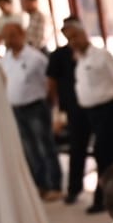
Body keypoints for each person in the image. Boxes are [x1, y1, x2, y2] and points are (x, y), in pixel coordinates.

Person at [66, 20, 113, 213]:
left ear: (83, 34)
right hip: (89, 113)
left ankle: (102, 198)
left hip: (108, 109)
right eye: (69, 39)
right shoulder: (79, 60)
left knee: (102, 152)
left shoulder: (102, 56)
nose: (73, 41)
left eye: (75, 36)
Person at [0, 22, 63, 199]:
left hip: (36, 106)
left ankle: (54, 185)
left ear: (21, 34)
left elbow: (50, 83)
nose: (9, 40)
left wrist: (52, 106)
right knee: (29, 150)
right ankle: (40, 185)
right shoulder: (6, 60)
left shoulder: (36, 58)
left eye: (12, 35)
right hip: (16, 109)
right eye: (6, 36)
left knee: (45, 146)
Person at [46, 16, 85, 202]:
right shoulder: (58, 56)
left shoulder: (91, 54)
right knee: (77, 148)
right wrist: (57, 112)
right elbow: (51, 83)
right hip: (73, 108)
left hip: (96, 108)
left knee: (106, 150)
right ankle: (73, 190)